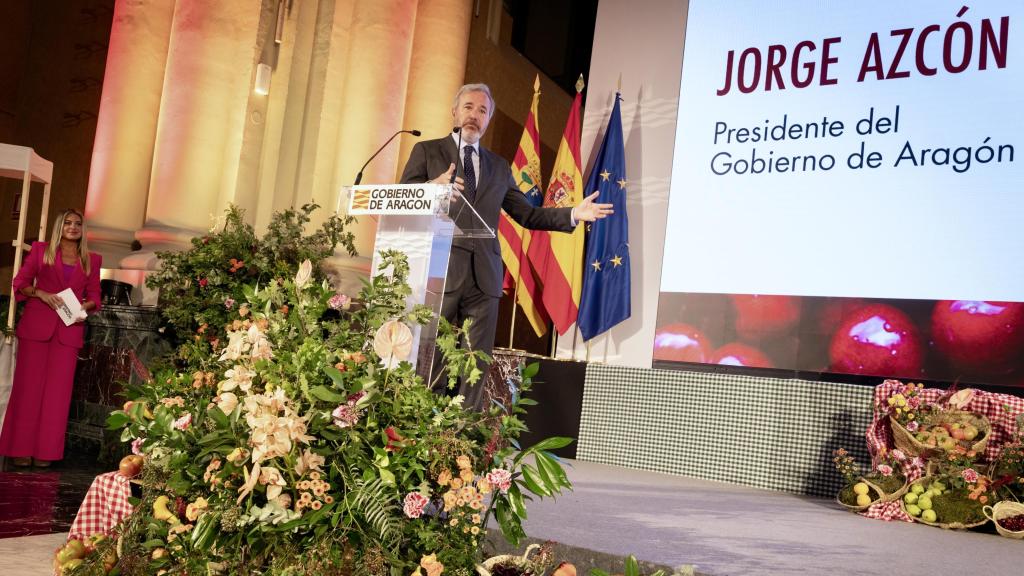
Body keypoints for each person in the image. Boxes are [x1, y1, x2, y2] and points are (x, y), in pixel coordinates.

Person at [400, 83, 612, 410]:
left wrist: (572, 214)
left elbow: (526, 214)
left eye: (482, 111)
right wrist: (430, 189)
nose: (474, 115)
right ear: (454, 112)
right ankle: (420, 420)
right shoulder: (428, 151)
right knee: (432, 354)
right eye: (468, 107)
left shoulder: (499, 166)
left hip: (485, 276)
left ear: (489, 120)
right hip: (440, 270)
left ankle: (463, 431)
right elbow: (402, 198)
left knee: (475, 363)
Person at [0, 209, 101, 467]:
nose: (73, 227)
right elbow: (20, 283)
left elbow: (95, 297)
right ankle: (19, 449)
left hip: (69, 331)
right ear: (59, 226)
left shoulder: (92, 259)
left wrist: (85, 306)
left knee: (58, 395)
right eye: (67, 222)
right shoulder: (40, 251)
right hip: (36, 328)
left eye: (77, 223)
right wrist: (42, 294)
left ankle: (46, 452)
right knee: (28, 390)